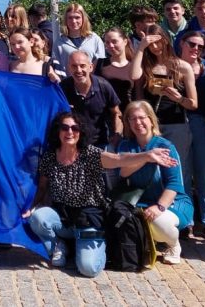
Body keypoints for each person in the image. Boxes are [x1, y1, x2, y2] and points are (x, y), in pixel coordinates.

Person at [24, 110, 178, 274]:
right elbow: (42, 188)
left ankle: (95, 246)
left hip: (88, 218)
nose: (70, 132)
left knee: (88, 269)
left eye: (75, 128)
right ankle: (59, 245)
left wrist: (147, 155)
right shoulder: (49, 157)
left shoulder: (90, 154)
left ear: (80, 132)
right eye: (64, 128)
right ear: (58, 131)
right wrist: (32, 207)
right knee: (38, 218)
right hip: (63, 218)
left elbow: (119, 160)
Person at [117, 101, 194, 265]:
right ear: (128, 123)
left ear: (151, 120)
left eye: (142, 118)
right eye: (132, 119)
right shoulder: (125, 146)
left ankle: (173, 244)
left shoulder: (166, 146)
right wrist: (147, 157)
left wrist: (159, 207)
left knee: (159, 222)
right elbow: (123, 172)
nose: (138, 123)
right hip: (141, 203)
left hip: (172, 202)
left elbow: (174, 184)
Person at [131, 24, 197, 198]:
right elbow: (134, 76)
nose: (155, 47)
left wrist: (178, 99)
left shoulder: (182, 67)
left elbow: (193, 103)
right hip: (150, 126)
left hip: (176, 124)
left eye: (158, 42)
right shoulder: (145, 66)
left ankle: (183, 211)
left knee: (179, 168)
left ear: (166, 41)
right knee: (152, 169)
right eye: (150, 44)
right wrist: (141, 47)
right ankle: (157, 207)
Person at [176, 30, 205, 243]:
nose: (196, 49)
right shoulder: (171, 66)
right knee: (182, 175)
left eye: (200, 46)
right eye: (192, 44)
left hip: (202, 125)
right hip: (177, 125)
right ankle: (186, 222)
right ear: (182, 43)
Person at [60, 52, 122, 148]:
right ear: (69, 68)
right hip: (72, 144)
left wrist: (117, 134)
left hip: (100, 143)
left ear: (91, 67)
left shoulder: (103, 86)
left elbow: (116, 113)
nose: (78, 70)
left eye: (82, 66)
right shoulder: (62, 88)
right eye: (74, 66)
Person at [95, 27, 136, 112]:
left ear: (125, 41)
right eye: (107, 42)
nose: (111, 46)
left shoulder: (134, 66)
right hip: (104, 115)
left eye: (114, 41)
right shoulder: (99, 64)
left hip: (128, 114)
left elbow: (139, 94)